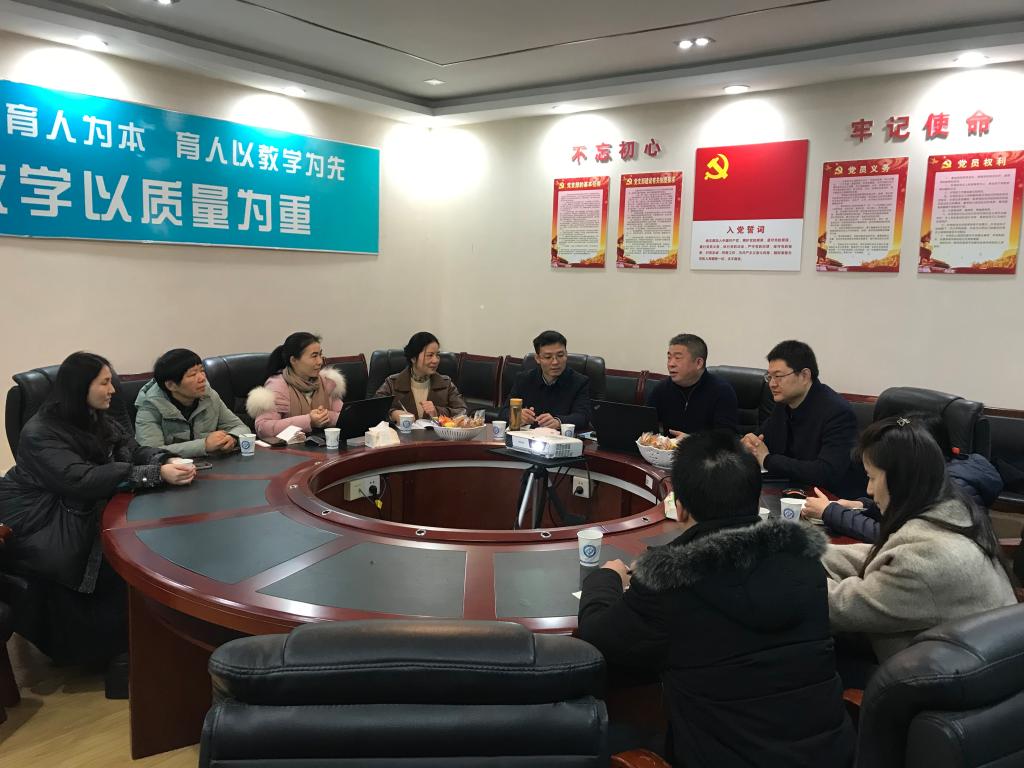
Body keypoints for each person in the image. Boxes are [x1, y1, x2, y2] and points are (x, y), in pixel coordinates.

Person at [578, 431, 855, 767]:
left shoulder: (668, 579)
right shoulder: (804, 559)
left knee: (597, 738)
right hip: (831, 755)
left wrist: (606, 577)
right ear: (755, 499)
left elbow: (597, 636)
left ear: (680, 508)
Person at [0, 352, 195, 670]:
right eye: (104, 383)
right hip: (46, 518)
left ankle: (148, 637)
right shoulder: (40, 432)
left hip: (87, 506)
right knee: (121, 557)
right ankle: (109, 653)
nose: (113, 390)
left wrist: (163, 460)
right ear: (81, 387)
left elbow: (131, 450)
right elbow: (81, 480)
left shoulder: (94, 416)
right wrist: (154, 474)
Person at [821, 416, 1017, 670]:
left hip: (932, 683)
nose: (868, 490)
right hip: (963, 667)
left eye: (872, 478)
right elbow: (883, 556)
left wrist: (789, 572)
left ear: (900, 480)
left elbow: (841, 608)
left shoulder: (925, 561)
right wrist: (808, 551)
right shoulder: (954, 514)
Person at [803, 412, 1004, 541]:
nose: (870, 489)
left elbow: (896, 535)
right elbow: (904, 510)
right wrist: (860, 506)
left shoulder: (953, 487)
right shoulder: (926, 480)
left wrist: (831, 512)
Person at [741, 340, 861, 497]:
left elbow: (826, 472)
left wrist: (768, 460)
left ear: (804, 376)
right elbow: (762, 439)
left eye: (778, 376)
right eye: (769, 377)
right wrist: (749, 443)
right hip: (791, 492)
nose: (772, 384)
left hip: (829, 500)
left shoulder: (838, 413)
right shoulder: (784, 403)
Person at [134, 348, 249, 457]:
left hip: (211, 465)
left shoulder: (208, 395)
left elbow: (239, 427)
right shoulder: (149, 405)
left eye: (202, 371)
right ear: (171, 385)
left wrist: (232, 438)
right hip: (174, 469)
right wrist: (204, 445)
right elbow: (151, 452)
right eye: (193, 374)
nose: (202, 378)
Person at [246, 332, 345, 440]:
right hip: (290, 449)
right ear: (293, 360)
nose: (320, 361)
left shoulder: (326, 382)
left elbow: (345, 417)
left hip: (322, 445)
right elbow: (264, 428)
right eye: (314, 356)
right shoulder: (278, 385)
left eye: (320, 355)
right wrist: (308, 421)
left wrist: (326, 417)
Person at [644, 333, 738, 436]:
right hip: (668, 446)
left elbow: (727, 438)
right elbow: (645, 426)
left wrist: (691, 440)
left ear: (698, 363)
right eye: (669, 357)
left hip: (703, 447)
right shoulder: (662, 389)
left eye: (677, 358)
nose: (671, 364)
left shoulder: (722, 391)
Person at [498, 330, 591, 430]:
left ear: (566, 355)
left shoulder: (579, 382)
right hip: (528, 436)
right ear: (538, 358)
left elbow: (583, 417)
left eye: (560, 355)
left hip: (560, 437)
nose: (555, 362)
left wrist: (559, 421)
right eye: (548, 357)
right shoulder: (523, 379)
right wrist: (517, 415)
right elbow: (503, 412)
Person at [375, 332, 467, 422]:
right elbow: (374, 409)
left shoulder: (446, 384)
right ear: (413, 358)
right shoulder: (392, 383)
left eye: (437, 355)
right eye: (430, 355)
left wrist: (437, 411)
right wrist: (393, 414)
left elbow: (462, 412)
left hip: (435, 433)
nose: (435, 360)